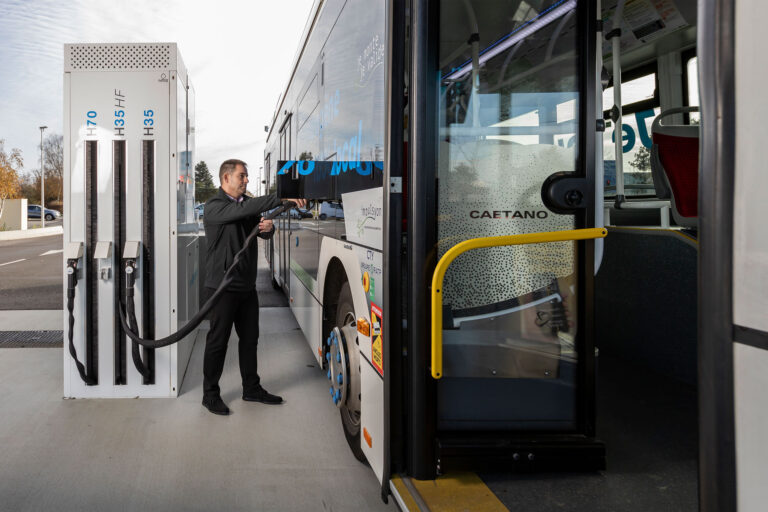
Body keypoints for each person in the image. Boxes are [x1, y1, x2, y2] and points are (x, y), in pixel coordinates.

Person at [201, 158, 306, 415]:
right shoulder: (214, 206)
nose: (246, 180)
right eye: (242, 176)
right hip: (222, 286)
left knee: (250, 340)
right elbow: (243, 212)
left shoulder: (246, 205)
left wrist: (267, 228)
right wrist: (281, 198)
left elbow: (259, 230)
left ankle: (251, 389)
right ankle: (210, 394)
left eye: (247, 176)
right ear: (226, 178)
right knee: (218, 342)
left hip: (246, 286)